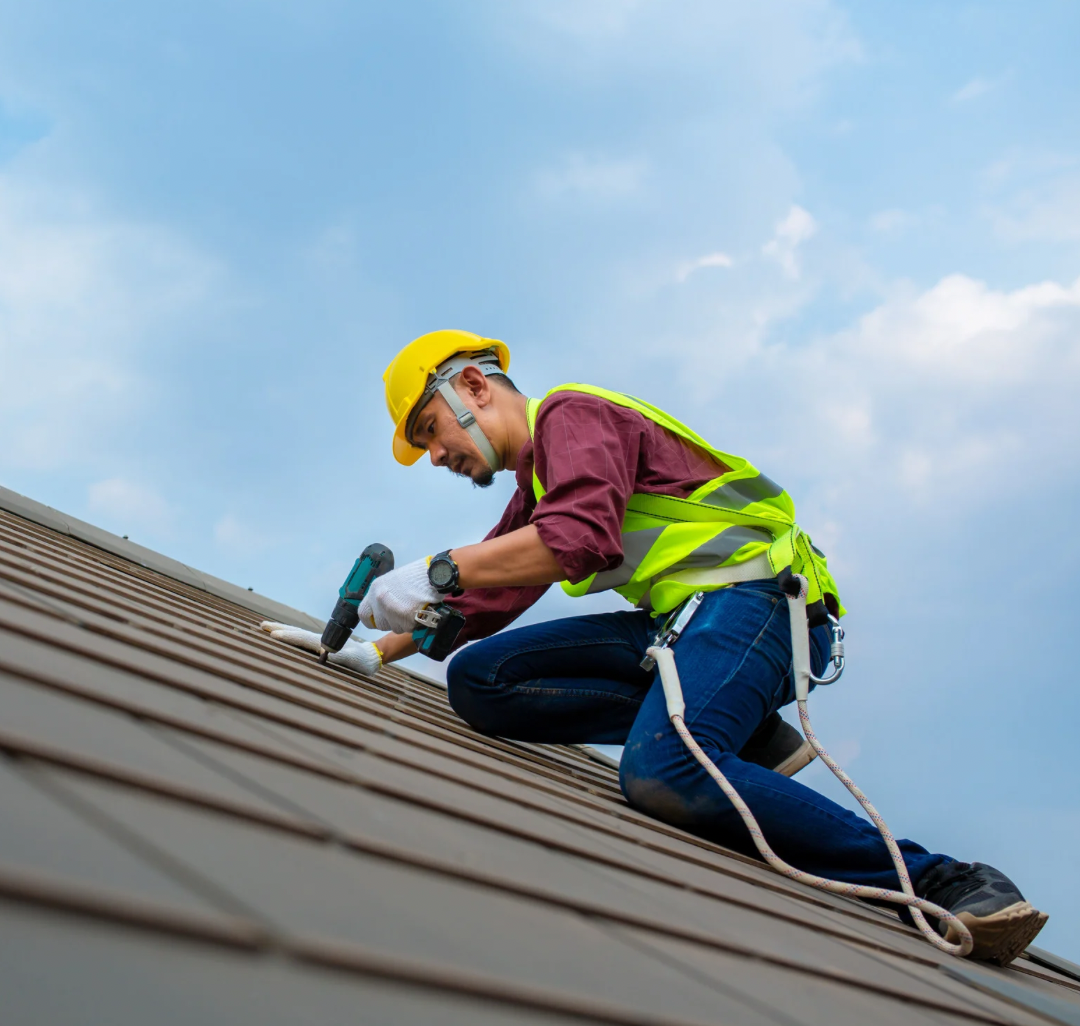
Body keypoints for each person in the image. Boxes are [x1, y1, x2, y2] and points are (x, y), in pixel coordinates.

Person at [264, 329, 1046, 965]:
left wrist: (440, 568)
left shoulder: (572, 417)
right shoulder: (536, 487)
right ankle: (734, 732)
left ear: (473, 388)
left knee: (663, 772)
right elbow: (488, 595)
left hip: (758, 603)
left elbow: (572, 541)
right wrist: (375, 651)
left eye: (429, 431)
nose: (436, 455)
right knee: (479, 677)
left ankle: (948, 880)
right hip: (690, 627)